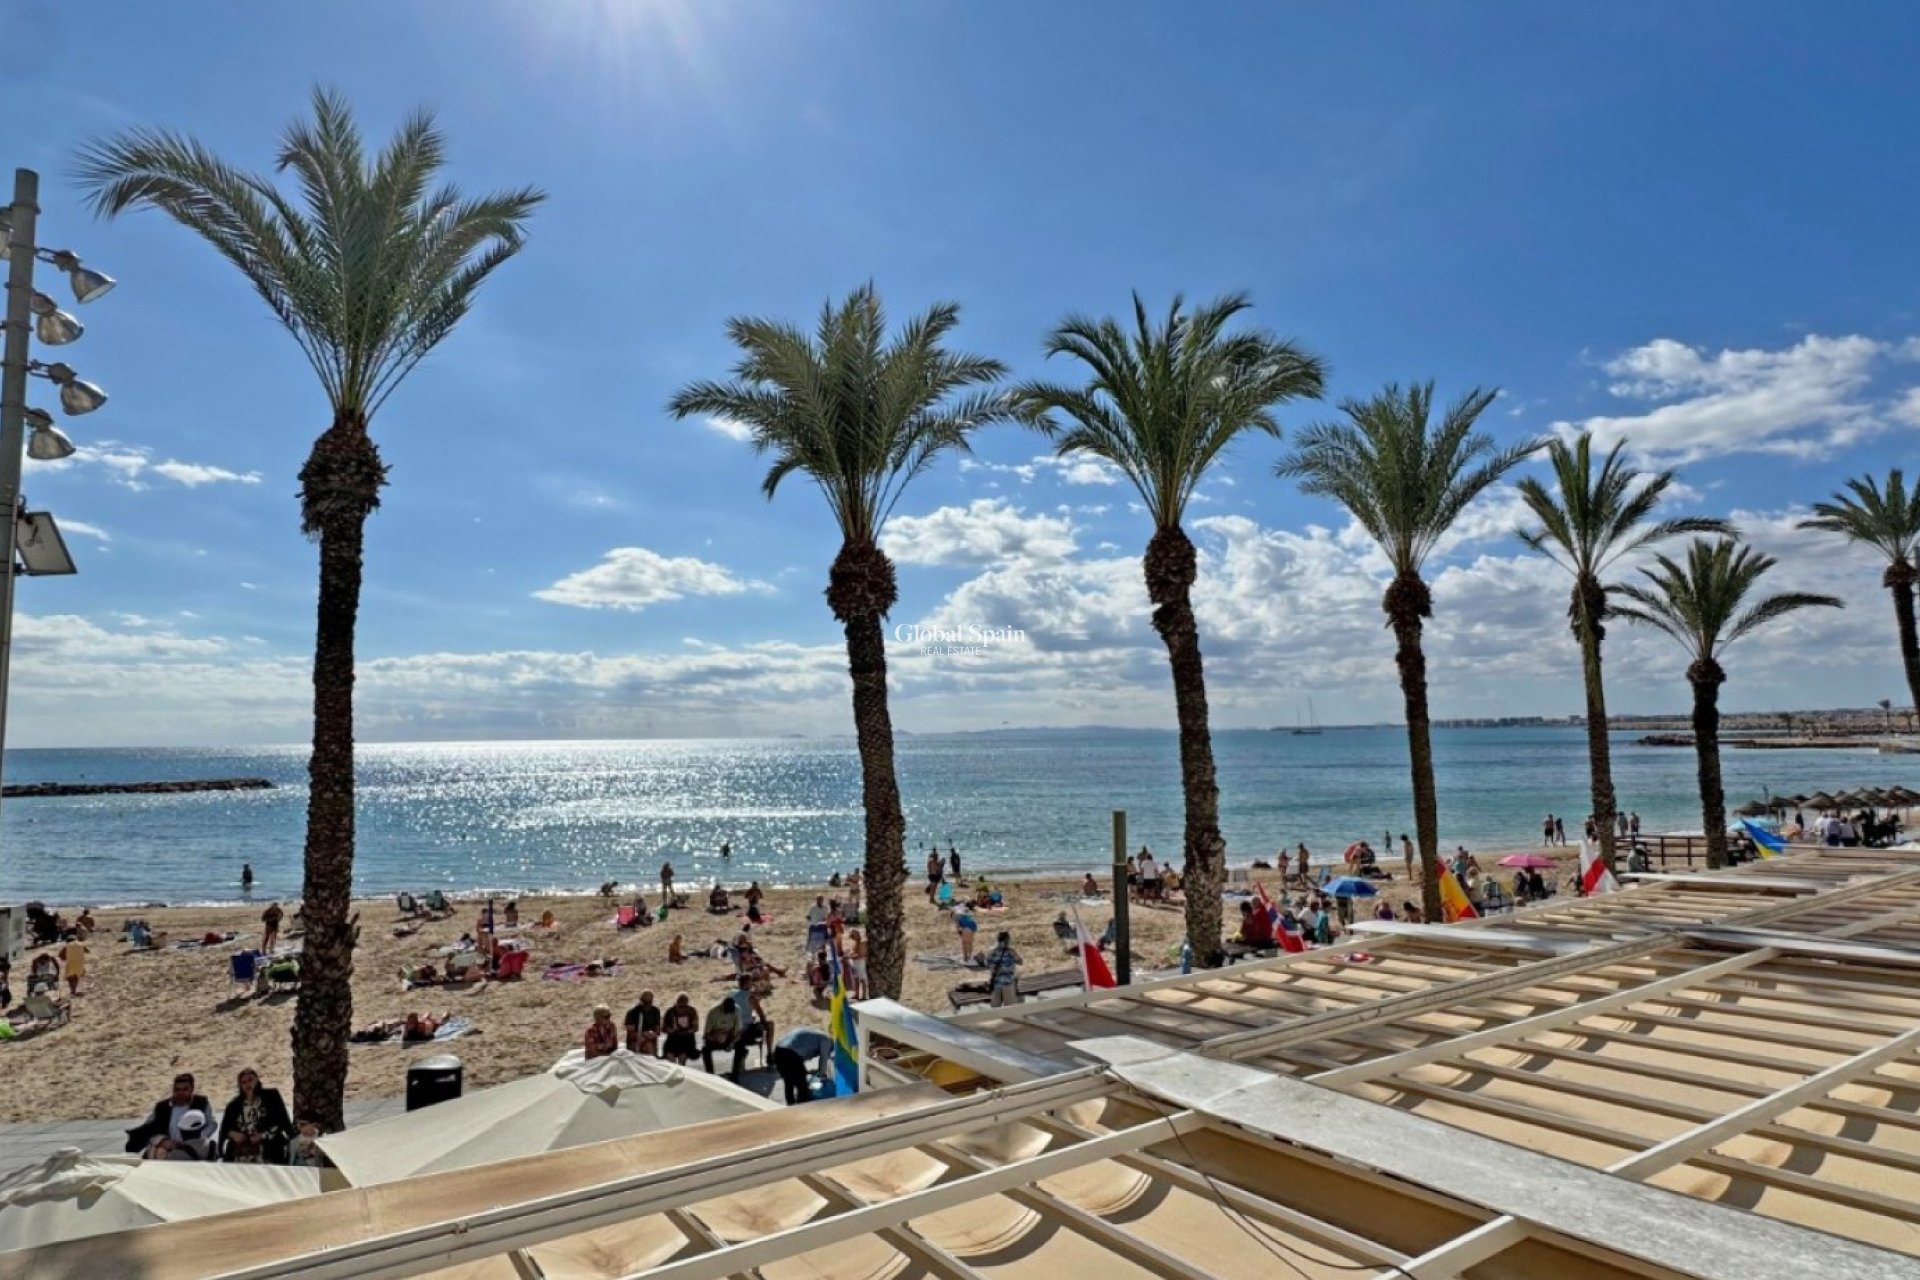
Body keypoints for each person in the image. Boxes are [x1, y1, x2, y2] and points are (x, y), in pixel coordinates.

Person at [127, 1073, 216, 1159]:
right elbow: (149, 1128)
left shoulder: (201, 1103)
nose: (180, 1093)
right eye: (177, 1090)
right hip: (170, 1148)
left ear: (191, 1089)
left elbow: (212, 1124)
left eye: (185, 1089)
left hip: (194, 1146)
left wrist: (199, 1138)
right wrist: (162, 1141)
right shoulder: (162, 1107)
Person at [220, 1068, 293, 1164]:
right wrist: (234, 1134)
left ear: (257, 1080)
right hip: (242, 1149)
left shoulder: (271, 1096)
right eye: (244, 1082)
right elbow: (225, 1129)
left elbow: (282, 1120)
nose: (248, 1084)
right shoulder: (234, 1104)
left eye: (250, 1080)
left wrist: (262, 1136)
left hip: (268, 1144)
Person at [773, 1027, 836, 1105]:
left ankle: (791, 1107)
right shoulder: (828, 1041)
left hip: (779, 1050)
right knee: (802, 1087)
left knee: (789, 1083)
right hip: (791, 1053)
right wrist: (820, 1077)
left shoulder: (817, 1035)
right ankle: (803, 1108)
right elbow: (823, 1062)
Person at [702, 997, 748, 1079]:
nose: (728, 1013)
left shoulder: (737, 1010)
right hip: (715, 1037)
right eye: (727, 1011)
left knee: (741, 1046)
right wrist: (715, 1037)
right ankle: (710, 1076)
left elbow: (739, 1031)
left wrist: (732, 1043)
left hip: (729, 1036)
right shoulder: (713, 1012)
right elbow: (706, 1034)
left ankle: (735, 1075)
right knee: (705, 1049)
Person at [984, 931, 1022, 1007]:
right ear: (1007, 940)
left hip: (995, 983)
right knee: (1010, 1007)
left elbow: (987, 964)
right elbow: (1020, 962)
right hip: (1008, 982)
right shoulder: (1011, 951)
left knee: (995, 1008)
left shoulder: (992, 951)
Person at [662, 994, 699, 1065]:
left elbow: (696, 1027)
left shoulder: (692, 1011)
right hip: (673, 1038)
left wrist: (688, 1031)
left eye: (685, 1006)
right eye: (680, 1006)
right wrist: (671, 1030)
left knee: (683, 1056)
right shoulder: (670, 1011)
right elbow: (664, 1028)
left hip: (687, 1039)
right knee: (670, 1056)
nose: (682, 1009)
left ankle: (681, 1068)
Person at [624, 990, 662, 1055]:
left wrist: (653, 1034)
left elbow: (658, 1030)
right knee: (648, 1046)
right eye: (645, 1003)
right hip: (636, 1041)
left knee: (649, 1045)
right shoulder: (632, 1013)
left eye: (649, 1002)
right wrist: (643, 1034)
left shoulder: (655, 1011)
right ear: (641, 1001)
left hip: (650, 1040)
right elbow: (630, 1033)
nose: (647, 1005)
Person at [847, 928, 868, 999]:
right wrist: (850, 955)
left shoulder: (862, 943)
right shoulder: (856, 942)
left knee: (862, 979)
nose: (852, 937)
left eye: (853, 935)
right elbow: (856, 953)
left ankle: (864, 996)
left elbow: (861, 955)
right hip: (856, 962)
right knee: (856, 979)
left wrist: (850, 956)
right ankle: (857, 994)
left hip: (860, 962)